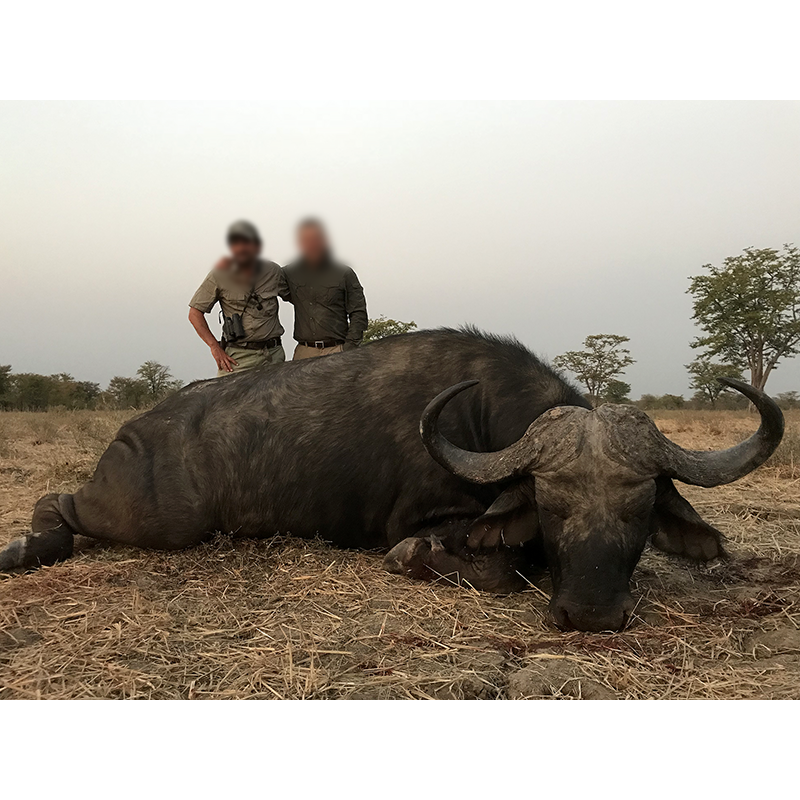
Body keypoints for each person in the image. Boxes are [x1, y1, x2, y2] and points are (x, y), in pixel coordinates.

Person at [189, 221, 285, 376]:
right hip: (238, 357)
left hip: (273, 355)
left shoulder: (274, 271)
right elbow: (194, 313)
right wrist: (215, 347)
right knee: (225, 399)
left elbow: (297, 296)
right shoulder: (218, 275)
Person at [280, 217, 368, 359]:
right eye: (306, 240)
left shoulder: (345, 273)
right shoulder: (288, 273)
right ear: (300, 243)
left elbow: (358, 313)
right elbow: (260, 282)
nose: (311, 244)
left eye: (315, 239)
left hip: (337, 351)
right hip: (304, 352)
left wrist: (348, 348)